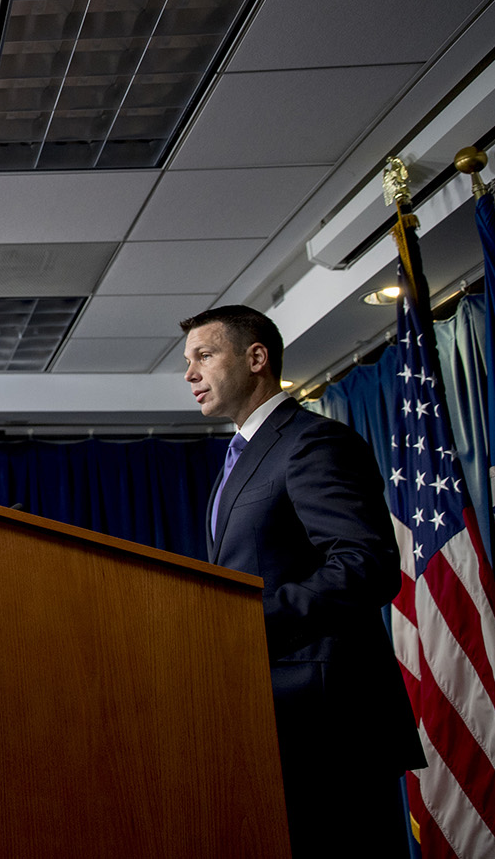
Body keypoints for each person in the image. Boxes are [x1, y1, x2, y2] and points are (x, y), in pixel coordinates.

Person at [180, 306, 424, 858]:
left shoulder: (312, 442)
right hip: (268, 718)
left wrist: (243, 619)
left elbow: (365, 564)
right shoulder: (239, 457)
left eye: (204, 355)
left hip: (325, 723)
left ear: (256, 358)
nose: (190, 374)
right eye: (187, 361)